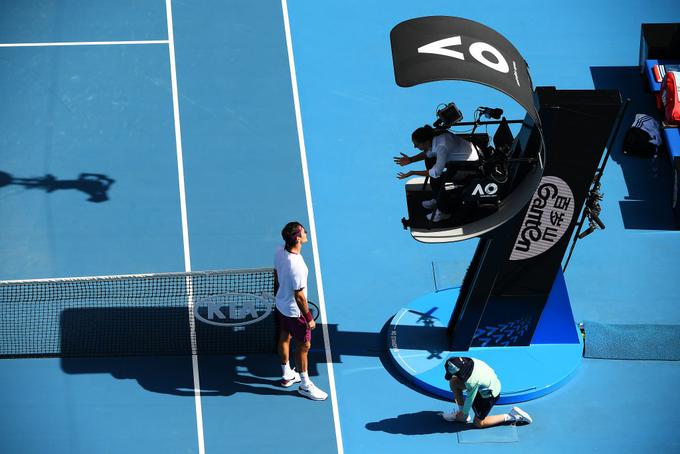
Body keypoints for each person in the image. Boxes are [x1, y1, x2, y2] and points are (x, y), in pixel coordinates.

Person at [273, 221, 328, 401]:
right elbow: (300, 297)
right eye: (304, 231)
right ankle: (305, 385)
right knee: (304, 346)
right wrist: (309, 318)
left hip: (281, 305)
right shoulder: (297, 266)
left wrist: (279, 296)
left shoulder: (279, 251)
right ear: (297, 238)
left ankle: (287, 374)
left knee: (284, 335)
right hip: (295, 312)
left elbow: (276, 276)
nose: (306, 233)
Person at [394, 125, 480, 222]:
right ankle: (437, 199)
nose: (415, 147)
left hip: (469, 166)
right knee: (429, 161)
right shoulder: (434, 138)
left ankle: (444, 212)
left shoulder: (441, 147)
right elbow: (428, 154)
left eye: (416, 144)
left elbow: (436, 172)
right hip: (460, 156)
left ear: (425, 142)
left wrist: (413, 172)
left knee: (436, 180)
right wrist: (411, 159)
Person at [440, 356, 532, 428]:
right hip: (484, 383)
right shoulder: (467, 361)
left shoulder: (471, 381)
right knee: (454, 382)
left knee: (479, 424)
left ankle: (513, 416)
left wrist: (463, 414)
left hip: (489, 395)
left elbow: (470, 399)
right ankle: (462, 415)